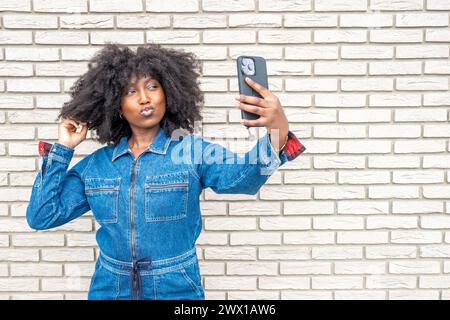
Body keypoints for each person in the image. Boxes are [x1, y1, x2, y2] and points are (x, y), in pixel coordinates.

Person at [26, 43, 306, 300]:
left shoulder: (193, 152)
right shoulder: (98, 165)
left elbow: (243, 180)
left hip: (176, 289)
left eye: (152, 87)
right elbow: (42, 216)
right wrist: (64, 148)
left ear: (168, 94)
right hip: (109, 289)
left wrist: (277, 130)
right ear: (117, 106)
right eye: (131, 91)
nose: (144, 98)